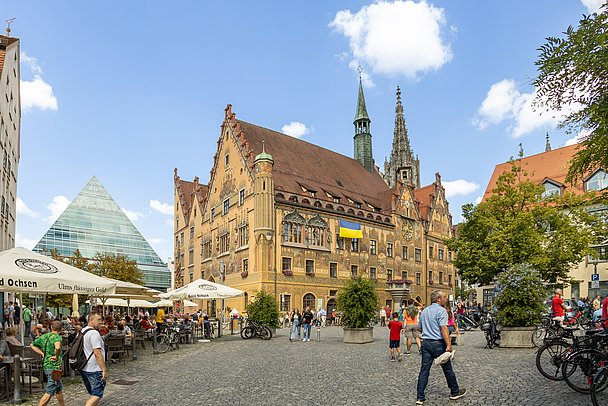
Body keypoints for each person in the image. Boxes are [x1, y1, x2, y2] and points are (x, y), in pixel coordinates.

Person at [416, 290, 466, 405]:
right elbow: (444, 329)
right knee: (447, 369)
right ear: (438, 299)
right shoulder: (441, 311)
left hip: (426, 343)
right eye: (444, 297)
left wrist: (427, 332)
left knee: (424, 370)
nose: (445, 299)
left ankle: (420, 397)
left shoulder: (425, 311)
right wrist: (449, 345)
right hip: (438, 343)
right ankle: (454, 392)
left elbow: (419, 327)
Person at [31, 320, 65, 406]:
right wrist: (57, 356)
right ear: (61, 329)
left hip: (47, 365)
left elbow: (32, 345)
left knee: (58, 389)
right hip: (53, 367)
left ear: (51, 328)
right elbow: (57, 348)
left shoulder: (45, 336)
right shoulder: (57, 337)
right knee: (49, 391)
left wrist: (42, 353)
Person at [81, 312, 107, 405]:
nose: (101, 322)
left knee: (93, 394)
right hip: (94, 368)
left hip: (85, 367)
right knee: (97, 394)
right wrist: (103, 369)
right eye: (98, 320)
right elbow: (97, 352)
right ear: (91, 320)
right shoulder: (94, 333)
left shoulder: (82, 331)